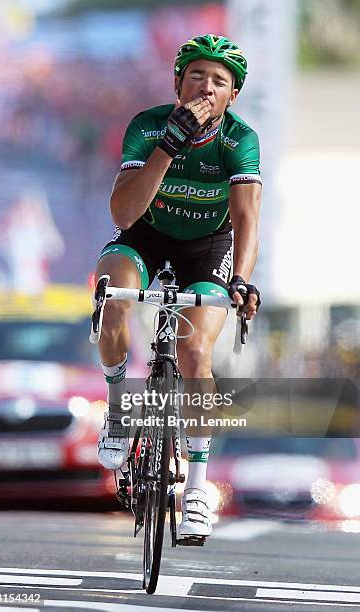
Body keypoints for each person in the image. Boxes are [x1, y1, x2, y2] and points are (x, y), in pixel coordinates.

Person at [94, 34, 262, 538]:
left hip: (207, 249)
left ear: (233, 96)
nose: (206, 87)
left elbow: (247, 217)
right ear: (177, 83)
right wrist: (169, 144)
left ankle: (196, 489)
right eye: (196, 76)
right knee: (112, 302)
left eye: (219, 82)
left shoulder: (240, 139)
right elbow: (124, 212)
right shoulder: (148, 125)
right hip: (145, 235)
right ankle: (121, 412)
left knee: (194, 352)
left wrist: (241, 280)